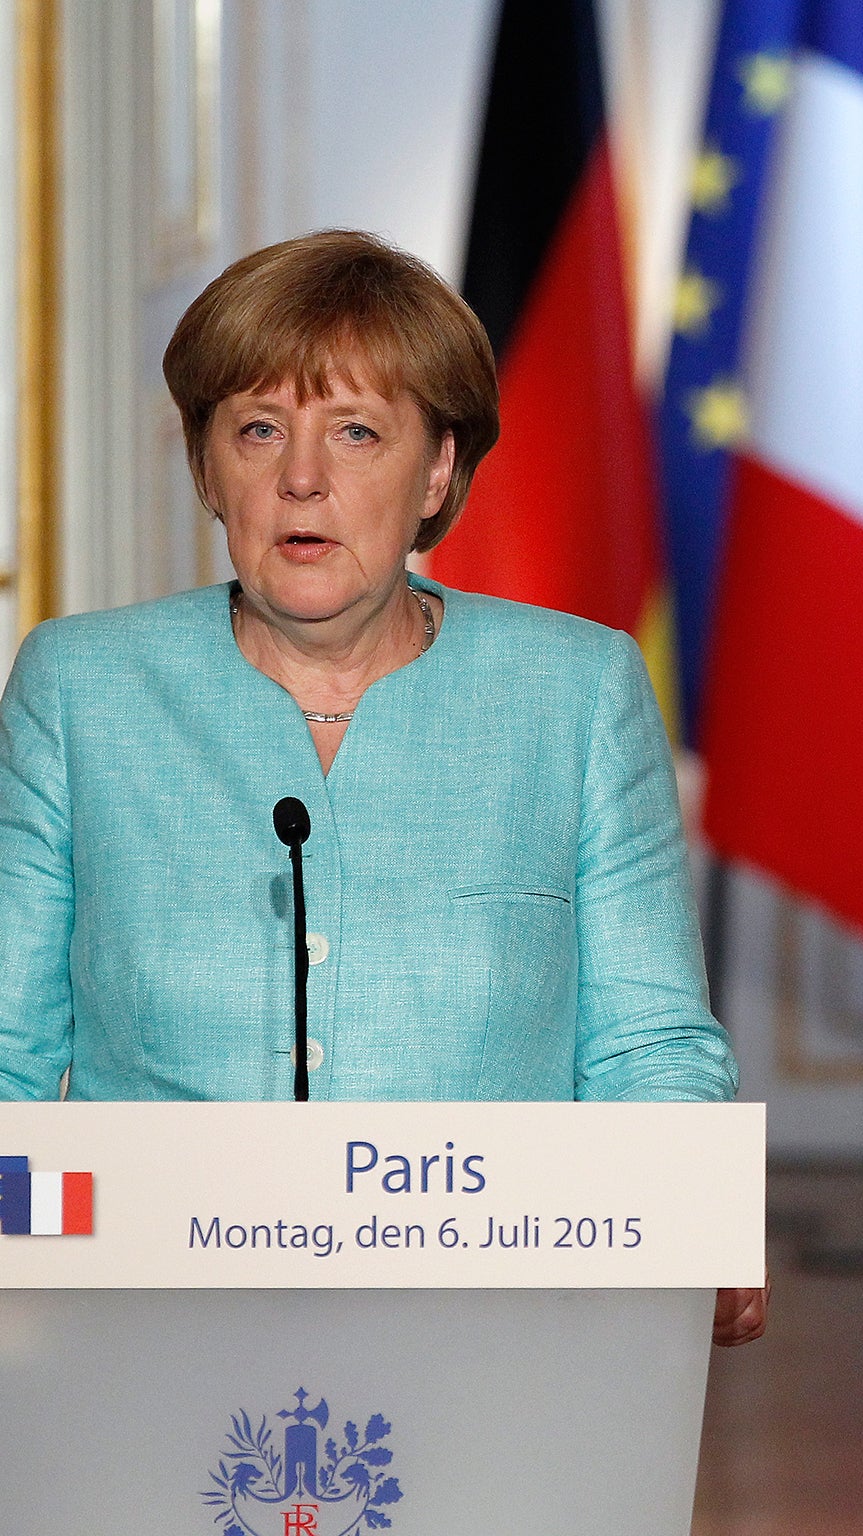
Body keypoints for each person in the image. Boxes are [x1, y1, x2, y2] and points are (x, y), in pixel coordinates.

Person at [0, 230, 766, 1342]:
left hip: (500, 1334)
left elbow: (648, 1049)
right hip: (149, 1338)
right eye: (258, 430)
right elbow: (7, 1059)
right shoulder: (82, 689)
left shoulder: (577, 691)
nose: (301, 478)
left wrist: (686, 1222)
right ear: (208, 468)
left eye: (355, 432)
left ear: (439, 472)